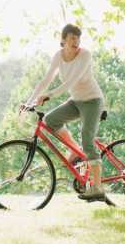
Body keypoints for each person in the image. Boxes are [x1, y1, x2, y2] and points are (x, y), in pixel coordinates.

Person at [25, 23, 106, 200]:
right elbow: (46, 79)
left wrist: (49, 95)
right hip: (76, 101)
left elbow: (71, 81)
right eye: (72, 38)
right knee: (50, 120)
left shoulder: (85, 55)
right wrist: (29, 102)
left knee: (87, 137)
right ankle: (76, 151)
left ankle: (98, 188)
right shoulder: (58, 56)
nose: (76, 41)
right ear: (63, 40)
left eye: (78, 38)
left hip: (92, 101)